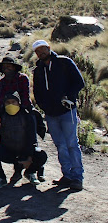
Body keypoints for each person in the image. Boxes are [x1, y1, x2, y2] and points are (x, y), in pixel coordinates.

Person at [32, 39, 85, 191]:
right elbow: (37, 92)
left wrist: (69, 97)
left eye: (43, 49)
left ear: (49, 48)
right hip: (51, 114)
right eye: (37, 51)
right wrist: (44, 107)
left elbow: (79, 82)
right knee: (60, 145)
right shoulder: (38, 70)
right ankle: (66, 175)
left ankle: (77, 177)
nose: (41, 52)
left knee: (71, 143)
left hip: (67, 111)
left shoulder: (64, 63)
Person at [0, 92, 48, 188]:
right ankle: (1, 178)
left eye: (13, 102)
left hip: (24, 151)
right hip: (8, 150)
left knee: (41, 155)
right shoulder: (1, 116)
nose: (11, 105)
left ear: (19, 103)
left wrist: (28, 157)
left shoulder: (27, 116)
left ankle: (30, 173)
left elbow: (32, 138)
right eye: (8, 102)